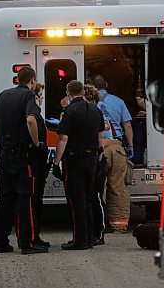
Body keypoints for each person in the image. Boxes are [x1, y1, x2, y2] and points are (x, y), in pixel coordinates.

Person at [0, 66, 48, 255]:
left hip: (6, 155)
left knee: (5, 199)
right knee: (25, 197)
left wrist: (1, 138)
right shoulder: (28, 96)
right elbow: (31, 120)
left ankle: (1, 242)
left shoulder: (3, 95)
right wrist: (36, 144)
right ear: (33, 80)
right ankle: (27, 242)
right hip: (23, 157)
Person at [53, 80, 105, 250]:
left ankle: (80, 240)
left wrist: (56, 161)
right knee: (89, 198)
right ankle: (90, 238)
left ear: (68, 92)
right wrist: (98, 159)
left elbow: (63, 138)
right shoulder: (96, 111)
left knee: (77, 200)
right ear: (83, 91)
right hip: (92, 160)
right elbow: (100, 139)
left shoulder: (71, 111)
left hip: (75, 160)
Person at [92, 75, 132, 232]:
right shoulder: (118, 101)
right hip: (116, 146)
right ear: (106, 85)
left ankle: (98, 222)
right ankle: (119, 224)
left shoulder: (88, 101)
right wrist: (131, 146)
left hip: (98, 146)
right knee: (117, 186)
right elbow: (127, 125)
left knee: (95, 186)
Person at [83, 84, 110, 246]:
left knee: (96, 197)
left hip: (98, 159)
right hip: (93, 158)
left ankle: (99, 233)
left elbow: (107, 138)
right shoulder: (90, 112)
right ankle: (91, 231)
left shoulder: (98, 113)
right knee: (90, 197)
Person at [30, 82, 51, 248]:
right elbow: (30, 121)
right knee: (34, 201)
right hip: (34, 163)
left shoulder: (36, 112)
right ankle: (33, 238)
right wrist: (38, 144)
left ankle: (34, 236)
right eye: (41, 96)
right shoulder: (33, 111)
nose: (42, 99)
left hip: (36, 163)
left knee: (35, 201)